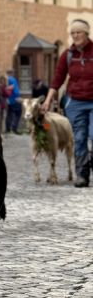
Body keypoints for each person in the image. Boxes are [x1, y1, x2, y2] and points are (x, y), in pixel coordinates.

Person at [42, 19, 93, 187]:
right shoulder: (68, 55)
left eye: (79, 32)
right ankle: (82, 175)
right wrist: (48, 100)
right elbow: (57, 79)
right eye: (73, 33)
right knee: (79, 139)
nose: (75, 36)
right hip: (76, 103)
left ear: (86, 33)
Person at [5, 69, 21, 134]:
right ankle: (14, 128)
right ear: (12, 73)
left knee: (9, 114)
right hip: (15, 99)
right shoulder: (12, 79)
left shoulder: (5, 79)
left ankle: (8, 128)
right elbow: (13, 88)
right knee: (18, 113)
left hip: (8, 100)